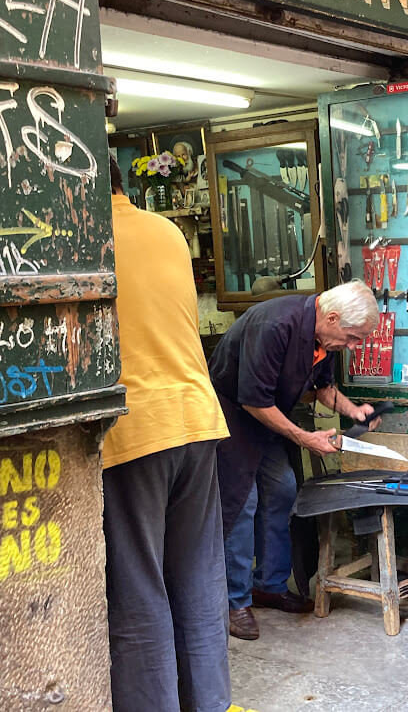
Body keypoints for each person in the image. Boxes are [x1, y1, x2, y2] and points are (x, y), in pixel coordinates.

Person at [103, 156, 231, 712]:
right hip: (196, 419)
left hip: (135, 428)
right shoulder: (167, 230)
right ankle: (210, 703)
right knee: (199, 578)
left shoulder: (75, 240)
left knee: (139, 589)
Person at [208, 280, 381, 641]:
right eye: (353, 338)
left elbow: (322, 388)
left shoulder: (324, 337)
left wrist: (354, 411)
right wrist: (304, 438)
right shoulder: (274, 326)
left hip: (267, 416)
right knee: (242, 502)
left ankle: (268, 585)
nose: (354, 346)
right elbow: (254, 401)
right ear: (332, 317)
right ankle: (232, 601)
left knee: (283, 488)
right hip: (232, 415)